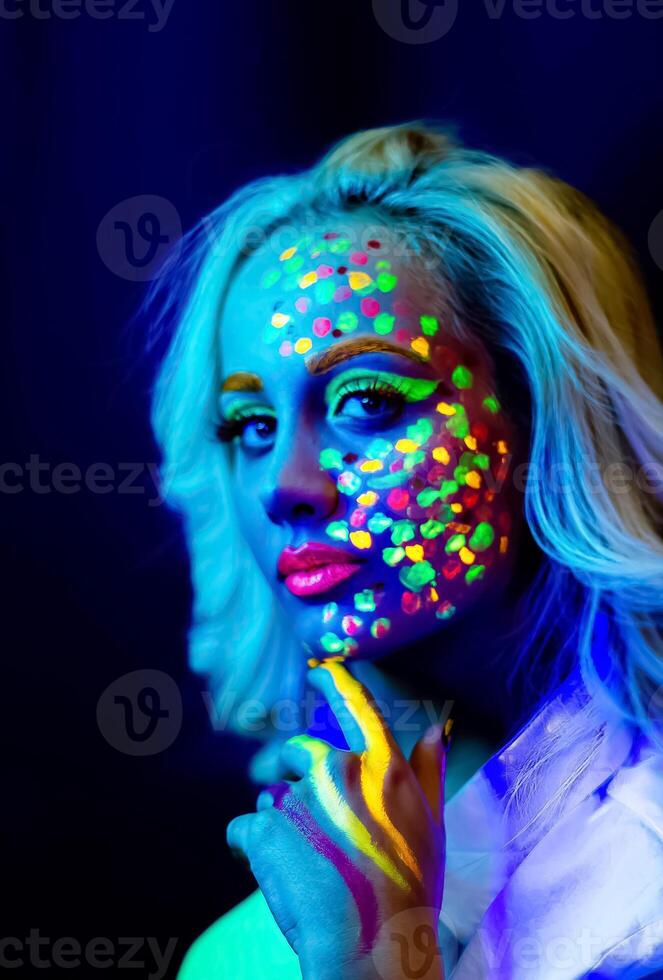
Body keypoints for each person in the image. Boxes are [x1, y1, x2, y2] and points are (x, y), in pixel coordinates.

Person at [150, 123, 663, 978]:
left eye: (369, 401)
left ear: (540, 422)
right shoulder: (243, 951)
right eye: (249, 425)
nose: (286, 483)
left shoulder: (639, 896)